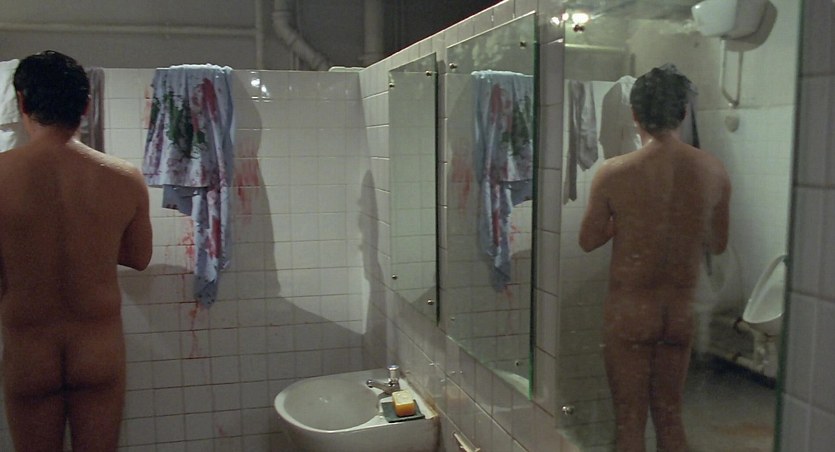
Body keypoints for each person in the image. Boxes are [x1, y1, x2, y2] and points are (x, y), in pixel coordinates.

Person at [0, 50, 152, 451]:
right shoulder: (124, 178)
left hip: (29, 353)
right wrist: (92, 242)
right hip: (97, 352)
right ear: (86, 105)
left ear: (22, 102)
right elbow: (139, 257)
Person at [578, 66, 731, 452]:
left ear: (635, 114)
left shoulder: (614, 173)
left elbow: (588, 240)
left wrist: (627, 220)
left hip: (631, 311)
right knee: (670, 416)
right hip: (679, 312)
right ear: (683, 112)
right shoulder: (713, 170)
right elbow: (717, 244)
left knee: (630, 421)